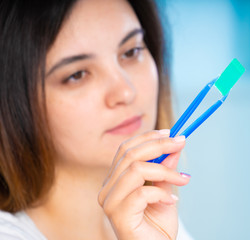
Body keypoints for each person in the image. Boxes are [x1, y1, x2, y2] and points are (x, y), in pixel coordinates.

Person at [0, 0, 192, 239]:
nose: (125, 92)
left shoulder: (153, 219)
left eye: (131, 52)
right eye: (77, 75)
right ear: (14, 103)